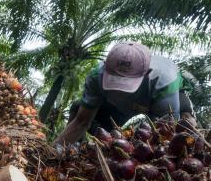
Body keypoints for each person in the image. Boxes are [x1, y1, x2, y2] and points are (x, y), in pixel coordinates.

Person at [54, 42, 197, 145]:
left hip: (162, 98)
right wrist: (52, 152)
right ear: (106, 68)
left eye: (125, 84)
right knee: (79, 108)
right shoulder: (96, 76)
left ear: (146, 74)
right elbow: (81, 121)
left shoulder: (163, 81)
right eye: (114, 82)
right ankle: (77, 151)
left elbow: (166, 134)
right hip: (122, 107)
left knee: (185, 126)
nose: (119, 92)